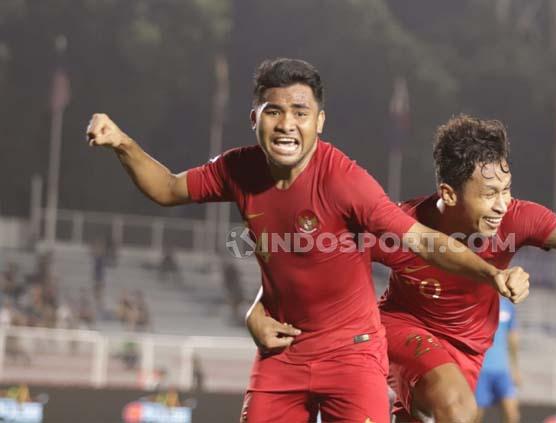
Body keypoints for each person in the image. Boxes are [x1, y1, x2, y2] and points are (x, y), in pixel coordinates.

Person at [88, 58, 529, 422]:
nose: (286, 124)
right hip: (284, 352)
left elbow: (425, 241)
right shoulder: (237, 169)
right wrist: (121, 142)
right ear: (254, 118)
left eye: (300, 112)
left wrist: (492, 273)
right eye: (273, 111)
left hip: (353, 354)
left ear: (319, 121)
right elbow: (167, 188)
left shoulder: (345, 181)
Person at [250, 113, 556, 423]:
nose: (501, 204)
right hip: (401, 328)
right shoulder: (398, 224)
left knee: (436, 410)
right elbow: (312, 259)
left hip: (470, 348)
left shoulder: (519, 219)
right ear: (448, 194)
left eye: (506, 189)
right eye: (488, 193)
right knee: (459, 410)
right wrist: (260, 308)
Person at [475, 297, 521, 423]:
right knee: (475, 416)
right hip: (480, 370)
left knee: (512, 414)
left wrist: (515, 369)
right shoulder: (478, 301)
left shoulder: (507, 306)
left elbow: (513, 338)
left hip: (502, 370)